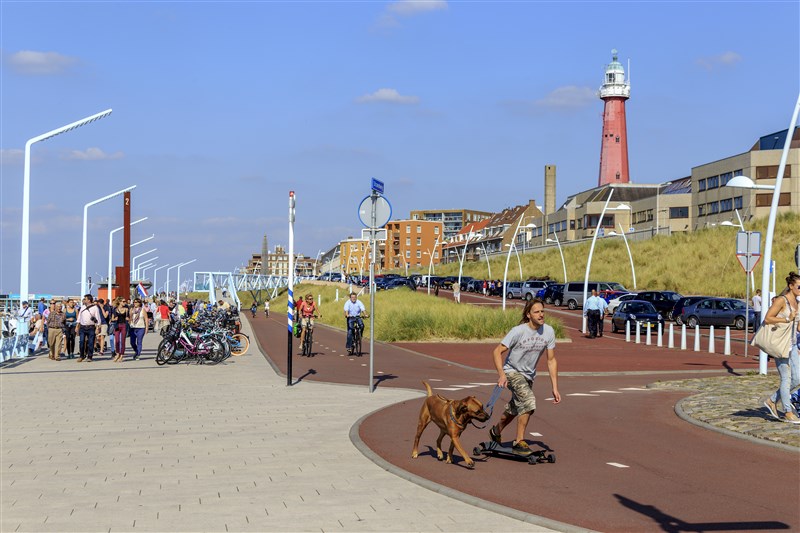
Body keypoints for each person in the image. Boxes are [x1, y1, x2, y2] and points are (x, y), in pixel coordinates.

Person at [488, 298, 561, 455]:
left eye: (542, 311)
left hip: (528, 376)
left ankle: (496, 430)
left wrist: (555, 387)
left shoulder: (549, 331)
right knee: (528, 401)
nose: (541, 315)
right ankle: (519, 441)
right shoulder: (518, 331)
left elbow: (551, 360)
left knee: (516, 408)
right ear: (529, 315)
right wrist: (501, 375)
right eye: (537, 312)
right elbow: (496, 352)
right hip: (511, 371)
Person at [762, 272, 800, 424]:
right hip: (780, 344)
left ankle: (772, 401)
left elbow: (798, 328)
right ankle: (788, 412)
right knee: (787, 378)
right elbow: (767, 318)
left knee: (798, 378)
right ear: (791, 286)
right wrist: (786, 318)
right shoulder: (781, 301)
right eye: (799, 286)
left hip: (793, 345)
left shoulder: (798, 303)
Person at [76, 294, 101, 362]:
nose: (84, 300)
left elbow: (98, 318)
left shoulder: (95, 307)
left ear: (89, 300)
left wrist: (97, 328)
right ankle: (81, 355)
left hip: (91, 327)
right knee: (81, 341)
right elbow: (79, 317)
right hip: (82, 327)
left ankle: (90, 356)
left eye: (85, 299)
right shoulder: (82, 307)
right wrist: (77, 326)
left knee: (90, 342)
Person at [111, 298, 130, 362]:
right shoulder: (115, 309)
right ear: (119, 302)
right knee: (117, 341)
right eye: (123, 301)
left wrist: (128, 319)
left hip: (124, 325)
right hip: (117, 326)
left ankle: (121, 355)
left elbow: (128, 318)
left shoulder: (126, 309)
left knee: (123, 340)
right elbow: (112, 319)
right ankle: (117, 353)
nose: (125, 302)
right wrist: (114, 319)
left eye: (125, 301)